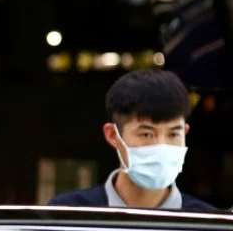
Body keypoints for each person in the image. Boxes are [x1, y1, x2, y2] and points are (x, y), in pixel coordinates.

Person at [48, 69, 216, 212]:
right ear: (112, 135)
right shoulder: (69, 214)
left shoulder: (210, 224)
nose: (161, 145)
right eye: (147, 134)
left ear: (185, 132)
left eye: (173, 134)